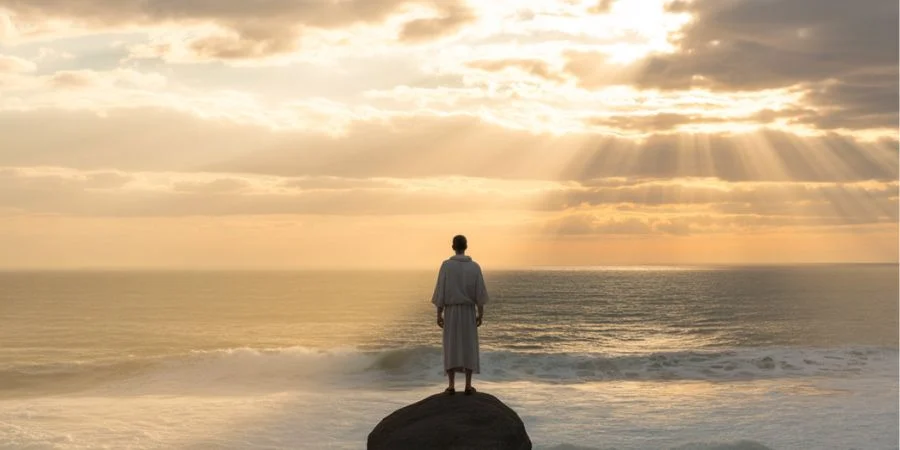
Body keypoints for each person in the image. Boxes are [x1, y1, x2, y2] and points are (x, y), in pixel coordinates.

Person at [431, 234, 489, 395]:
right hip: (468, 311)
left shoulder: (446, 266)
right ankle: (468, 385)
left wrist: (439, 313)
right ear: (466, 246)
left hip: (451, 311)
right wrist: (480, 314)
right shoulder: (475, 267)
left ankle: (451, 385)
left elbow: (441, 289)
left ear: (453, 247)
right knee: (468, 346)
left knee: (451, 346)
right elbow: (480, 292)